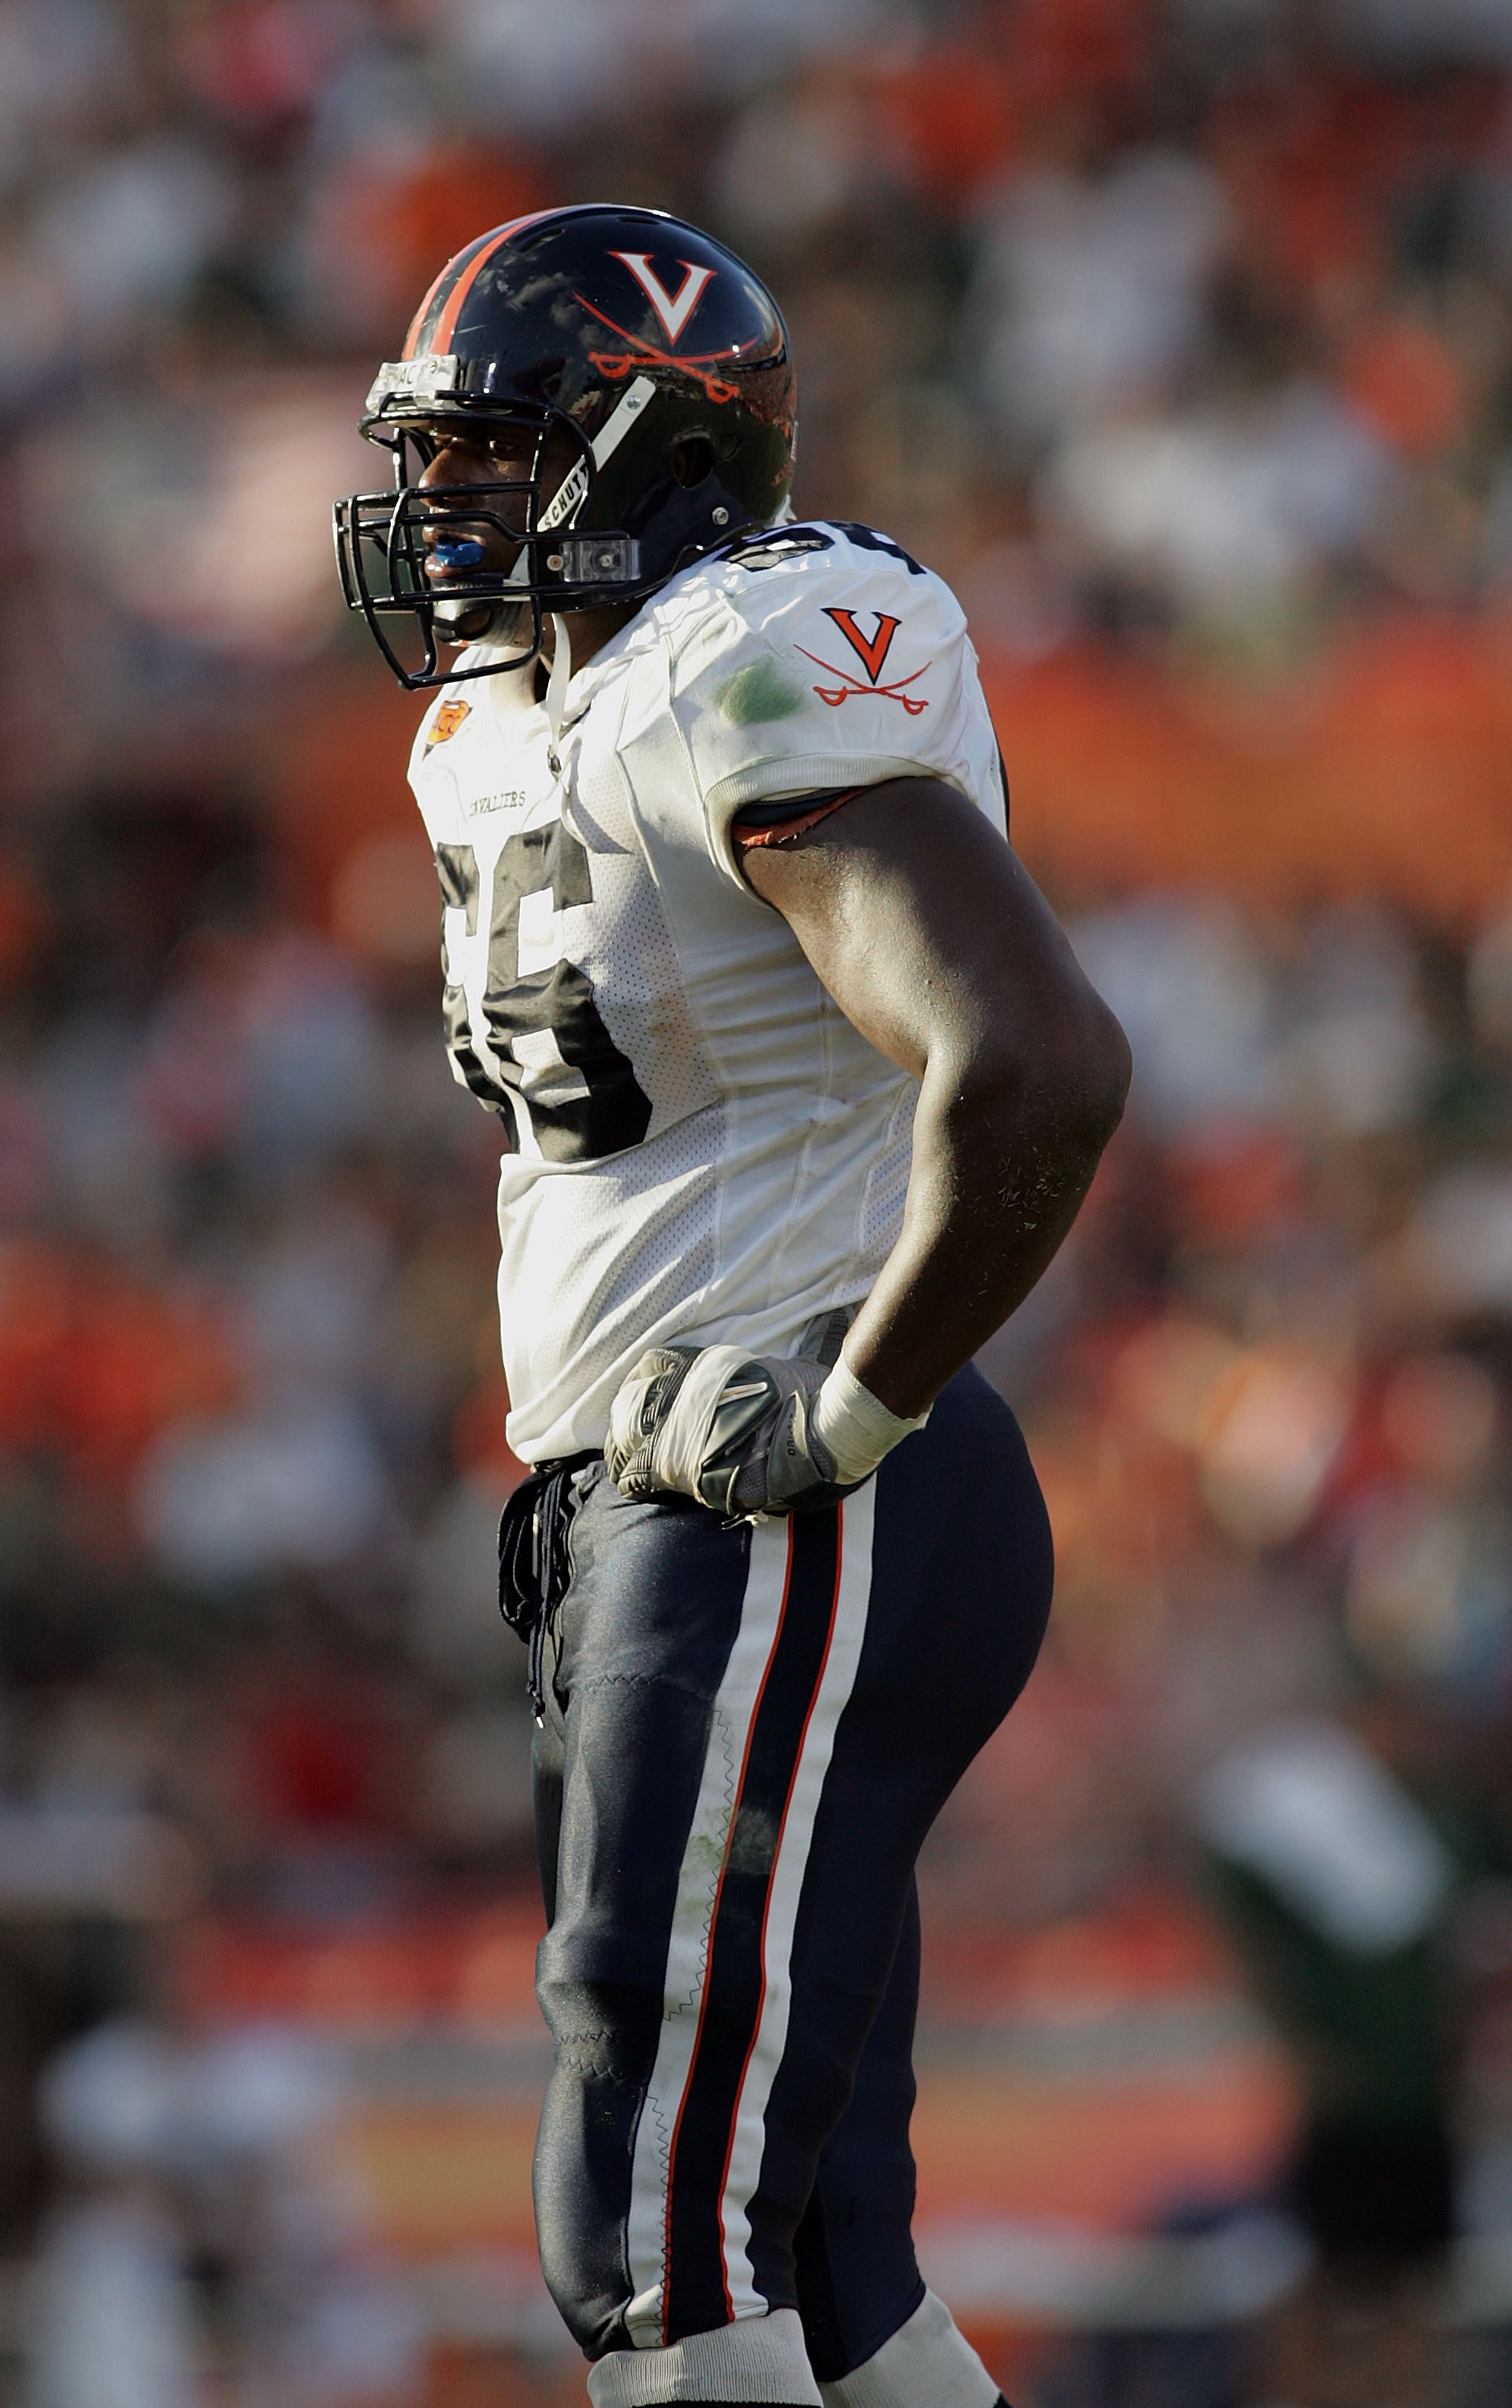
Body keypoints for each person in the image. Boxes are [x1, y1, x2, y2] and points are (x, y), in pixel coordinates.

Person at [335, 205, 1131, 2408]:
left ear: (640, 450)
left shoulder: (743, 654)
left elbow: (1041, 1059)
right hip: (683, 1496)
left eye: (491, 455)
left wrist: (841, 1412)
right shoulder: (516, 717)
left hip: (786, 1483)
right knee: (825, 2261)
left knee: (653, 2237)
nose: (436, 509)